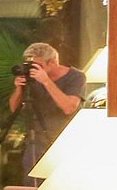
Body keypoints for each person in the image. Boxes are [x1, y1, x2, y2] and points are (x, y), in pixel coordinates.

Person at [10, 41, 86, 172]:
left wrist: (46, 81)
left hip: (66, 140)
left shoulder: (76, 77)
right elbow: (14, 109)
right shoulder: (32, 78)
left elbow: (69, 107)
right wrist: (18, 89)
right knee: (32, 180)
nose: (34, 69)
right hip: (37, 141)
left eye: (38, 66)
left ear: (53, 62)